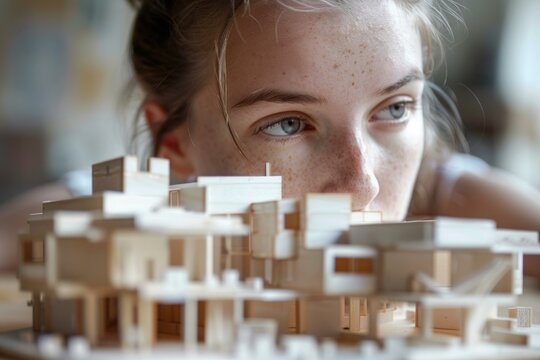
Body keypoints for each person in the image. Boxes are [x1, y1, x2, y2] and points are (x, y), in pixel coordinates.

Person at [1, 0, 539, 275]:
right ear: (176, 145)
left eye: (395, 108)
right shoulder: (157, 208)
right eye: (286, 124)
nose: (363, 185)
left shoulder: (446, 200)